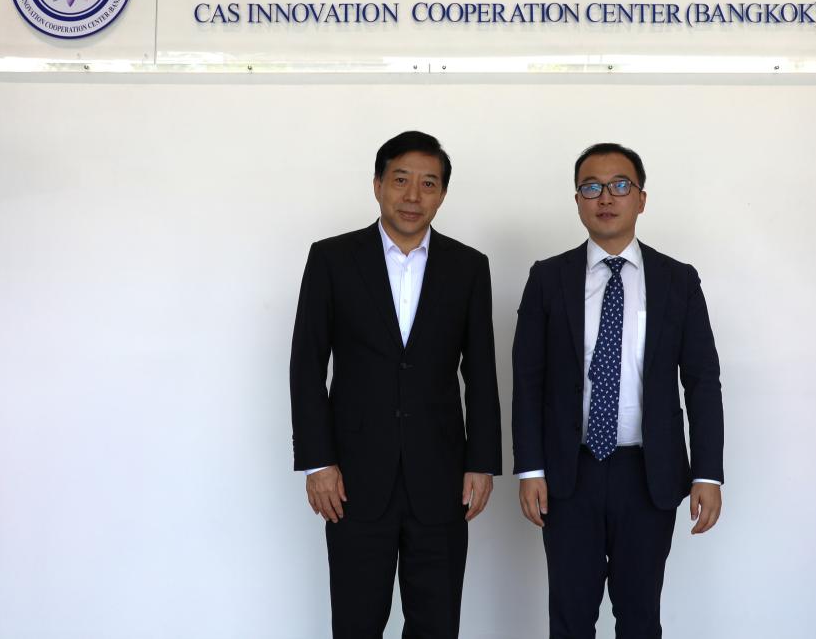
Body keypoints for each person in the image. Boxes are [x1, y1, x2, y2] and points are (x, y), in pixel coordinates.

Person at [289, 130, 502, 639]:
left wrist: (481, 462)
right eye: (401, 180)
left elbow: (481, 371)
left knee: (436, 624)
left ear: (442, 193)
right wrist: (318, 463)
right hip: (353, 479)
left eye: (428, 183)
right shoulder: (332, 259)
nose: (413, 195)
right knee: (357, 623)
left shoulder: (468, 267)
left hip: (442, 479)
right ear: (378, 185)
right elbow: (306, 364)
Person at [512, 142, 724, 639]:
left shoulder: (677, 280)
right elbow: (527, 378)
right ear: (578, 201)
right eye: (591, 187)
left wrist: (707, 473)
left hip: (648, 475)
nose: (605, 197)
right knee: (570, 619)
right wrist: (531, 468)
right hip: (570, 474)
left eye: (619, 185)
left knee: (640, 618)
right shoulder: (548, 278)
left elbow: (701, 380)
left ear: (641, 198)